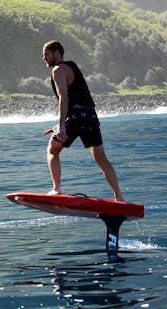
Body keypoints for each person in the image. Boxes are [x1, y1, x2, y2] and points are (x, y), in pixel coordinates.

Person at [42, 40, 124, 201]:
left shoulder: (58, 70)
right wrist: (61, 124)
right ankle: (119, 197)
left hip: (76, 117)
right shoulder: (72, 65)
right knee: (101, 158)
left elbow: (63, 98)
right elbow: (77, 96)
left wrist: (61, 126)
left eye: (46, 54)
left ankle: (56, 189)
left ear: (57, 53)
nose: (43, 58)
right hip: (91, 116)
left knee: (52, 150)